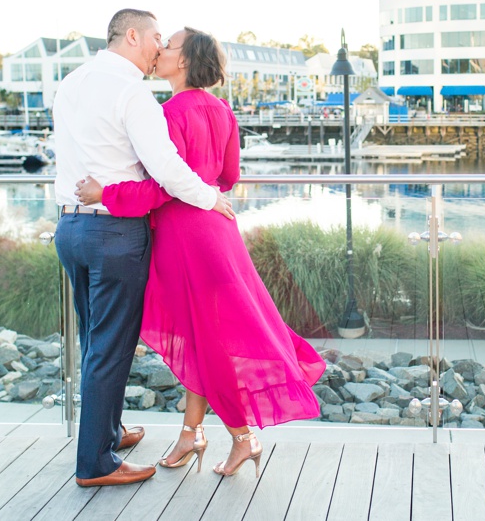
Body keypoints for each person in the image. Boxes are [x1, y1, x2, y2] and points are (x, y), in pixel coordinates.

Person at [77, 27, 327, 478]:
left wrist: (106, 193)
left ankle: (242, 437)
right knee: (201, 334)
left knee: (207, 340)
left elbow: (160, 187)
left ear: (187, 61)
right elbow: (227, 177)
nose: (159, 52)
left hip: (184, 237)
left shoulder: (167, 112)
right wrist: (203, 182)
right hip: (219, 231)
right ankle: (192, 432)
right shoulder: (223, 111)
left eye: (168, 46)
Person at [51, 9, 235, 488]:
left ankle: (105, 433)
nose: (158, 46)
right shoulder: (133, 92)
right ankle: (96, 463)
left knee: (95, 339)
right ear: (132, 35)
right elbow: (169, 172)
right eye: (155, 37)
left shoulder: (71, 82)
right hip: (114, 232)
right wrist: (210, 197)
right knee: (110, 349)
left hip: (70, 228)